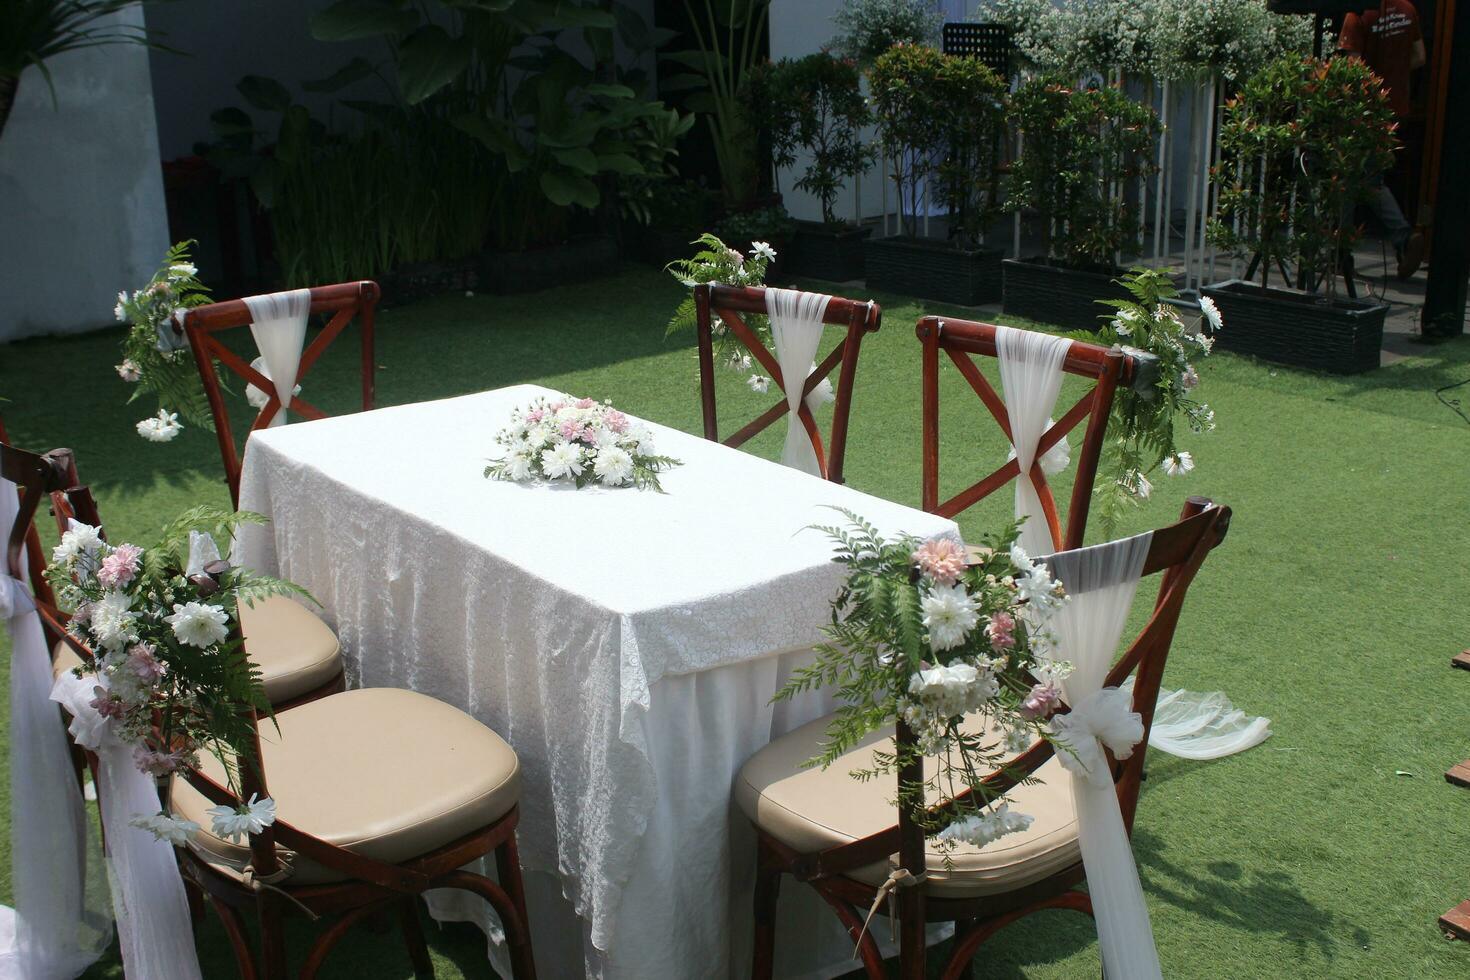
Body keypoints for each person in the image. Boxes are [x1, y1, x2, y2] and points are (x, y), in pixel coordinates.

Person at [1339, 0, 1427, 279]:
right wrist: (1394, 76)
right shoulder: (1407, 9)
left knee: (1348, 181)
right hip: (1395, 111)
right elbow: (1419, 56)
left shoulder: (1357, 14)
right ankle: (1401, 239)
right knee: (1369, 180)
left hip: (1365, 112)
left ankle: (1343, 252)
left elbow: (1354, 68)